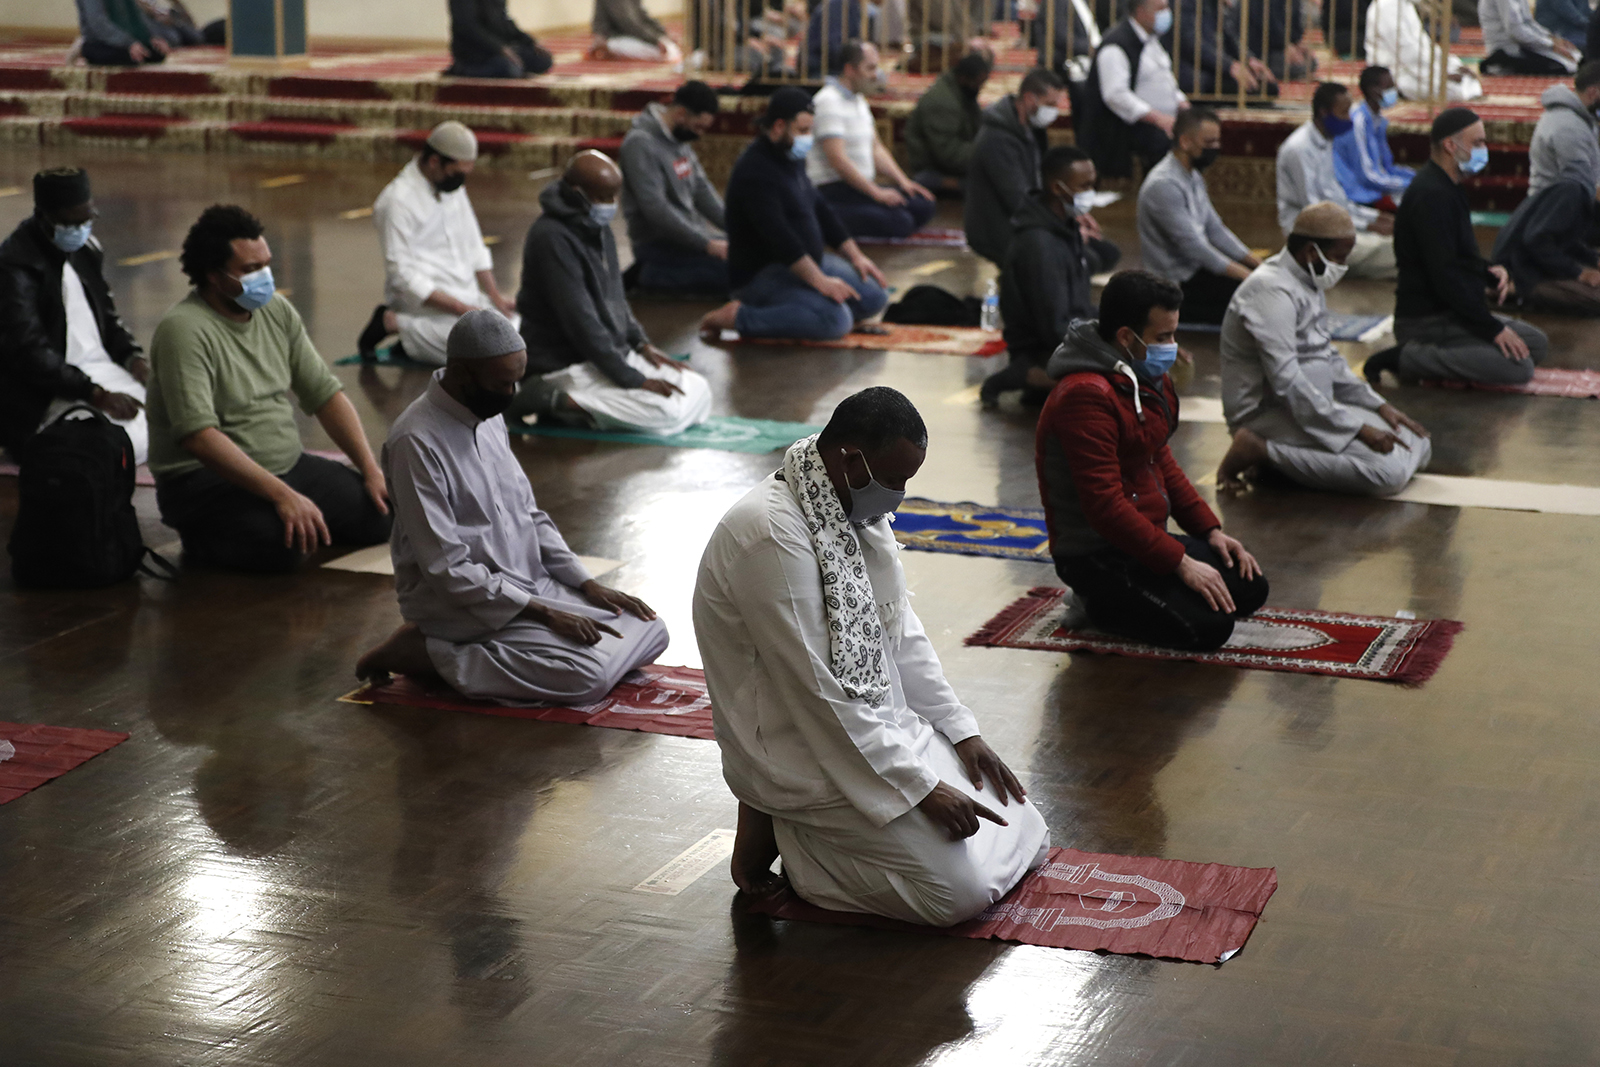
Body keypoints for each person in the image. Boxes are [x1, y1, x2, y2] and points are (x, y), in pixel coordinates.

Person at [694, 386, 1050, 925]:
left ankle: (822, 830)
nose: (900, 495)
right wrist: (920, 785)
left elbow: (900, 630)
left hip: (874, 728)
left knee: (1027, 828)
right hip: (801, 746)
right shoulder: (769, 534)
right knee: (960, 896)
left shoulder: (847, 505)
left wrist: (960, 730)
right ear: (850, 459)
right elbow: (816, 691)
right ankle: (801, 847)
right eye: (895, 480)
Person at [357, 310, 670, 705]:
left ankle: (497, 647)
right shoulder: (415, 441)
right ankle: (428, 654)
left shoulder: (487, 414)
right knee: (585, 677)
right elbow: (447, 570)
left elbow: (530, 516)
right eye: (502, 383)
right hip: (466, 604)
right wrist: (544, 614)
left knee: (651, 629)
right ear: (461, 373)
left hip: (530, 585)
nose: (511, 394)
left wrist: (585, 584)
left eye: (516, 381)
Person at [147, 205, 392, 573]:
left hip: (286, 465)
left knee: (382, 516)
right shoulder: (183, 330)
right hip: (204, 482)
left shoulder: (277, 311)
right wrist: (283, 496)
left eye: (266, 265)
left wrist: (370, 469)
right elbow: (198, 437)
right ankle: (202, 536)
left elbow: (325, 395)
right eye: (250, 270)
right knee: (280, 547)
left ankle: (284, 510)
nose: (264, 277)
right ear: (214, 275)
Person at [1038, 270, 1268, 650]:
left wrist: (1209, 532)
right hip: (1098, 554)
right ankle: (1093, 604)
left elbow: (1160, 460)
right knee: (1208, 628)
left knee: (1249, 587)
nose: (1173, 347)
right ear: (1126, 337)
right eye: (1163, 337)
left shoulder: (1139, 375)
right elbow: (1105, 507)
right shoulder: (1084, 396)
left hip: (1144, 538)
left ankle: (1148, 587)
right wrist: (1181, 562)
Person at [1217, 202, 1433, 497]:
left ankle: (1284, 462)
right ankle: (1260, 449)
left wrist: (1378, 406)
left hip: (1315, 407)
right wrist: (1357, 429)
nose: (1342, 268)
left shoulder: (1306, 281)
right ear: (1310, 252)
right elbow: (1288, 383)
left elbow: (1328, 358)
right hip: (1268, 414)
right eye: (1339, 258)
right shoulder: (1271, 292)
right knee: (1389, 474)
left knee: (1418, 443)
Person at [512, 151, 712, 435]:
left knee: (696, 386)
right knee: (664, 412)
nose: (609, 206)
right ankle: (553, 398)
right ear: (574, 192)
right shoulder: (550, 237)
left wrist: (642, 345)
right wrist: (632, 379)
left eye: (613, 197)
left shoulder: (597, 227)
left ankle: (587, 408)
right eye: (602, 198)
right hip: (565, 365)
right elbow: (582, 323)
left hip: (607, 355)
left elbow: (615, 298)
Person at [1367, 108, 1550, 386]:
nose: (1483, 150)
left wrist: (1490, 270)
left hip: (1452, 311)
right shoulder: (1431, 196)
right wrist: (1490, 328)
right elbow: (1445, 275)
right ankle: (1406, 357)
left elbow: (1460, 255)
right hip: (1426, 320)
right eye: (1477, 143)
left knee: (1536, 344)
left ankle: (1458, 349)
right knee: (1519, 368)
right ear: (1450, 146)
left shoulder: (1450, 186)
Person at [700, 87, 890, 342]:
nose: (808, 139)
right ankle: (738, 316)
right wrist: (821, 282)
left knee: (874, 296)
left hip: (807, 262)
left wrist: (857, 257)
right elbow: (780, 237)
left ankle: (801, 307)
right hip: (764, 275)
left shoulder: (790, 157)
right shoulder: (755, 172)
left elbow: (821, 208)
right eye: (802, 131)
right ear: (779, 127)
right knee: (836, 320)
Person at [0, 167, 149, 464]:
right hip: (48, 391)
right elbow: (31, 353)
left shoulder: (86, 249)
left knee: (173, 415)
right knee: (116, 440)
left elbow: (108, 320)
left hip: (101, 373)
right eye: (71, 222)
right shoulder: (15, 266)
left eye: (87, 220)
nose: (81, 229)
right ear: (44, 218)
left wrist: (135, 360)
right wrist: (96, 395)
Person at [359, 122, 518, 367]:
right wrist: (460, 308)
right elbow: (402, 275)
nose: (461, 181)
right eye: (457, 173)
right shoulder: (397, 201)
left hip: (464, 298)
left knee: (519, 330)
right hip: (424, 305)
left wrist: (495, 296)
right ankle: (396, 322)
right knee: (489, 355)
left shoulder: (450, 186)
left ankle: (418, 338)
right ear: (434, 161)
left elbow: (474, 244)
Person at [979, 146, 1101, 406]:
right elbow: (1052, 326)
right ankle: (1027, 375)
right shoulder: (1039, 245)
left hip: (1069, 332)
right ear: (1058, 188)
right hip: (1042, 348)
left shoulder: (1065, 229)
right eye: (1085, 185)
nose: (1091, 193)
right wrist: (1106, 351)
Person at [1136, 107, 1259, 325]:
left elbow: (1215, 229)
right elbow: (1194, 246)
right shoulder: (1164, 185)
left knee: (1259, 288)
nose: (1216, 148)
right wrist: (1246, 276)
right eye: (1209, 142)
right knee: (1253, 300)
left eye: (1217, 142)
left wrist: (1257, 264)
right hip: (1176, 285)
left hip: (1196, 272)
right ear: (1185, 142)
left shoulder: (1192, 176)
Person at [806, 43, 936, 241]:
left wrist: (904, 182)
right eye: (870, 68)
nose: (876, 75)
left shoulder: (859, 101)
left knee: (922, 204)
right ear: (850, 69)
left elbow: (876, 148)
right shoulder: (828, 102)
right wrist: (877, 193)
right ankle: (824, 220)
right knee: (900, 221)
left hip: (859, 188)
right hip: (834, 191)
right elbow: (838, 160)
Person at [1276, 82, 1396, 280]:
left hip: (1337, 227)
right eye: (1344, 112)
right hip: (1313, 238)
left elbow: (1337, 198)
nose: (1349, 119)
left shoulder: (1326, 140)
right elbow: (1314, 210)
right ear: (1324, 113)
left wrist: (1373, 217)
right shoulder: (1298, 149)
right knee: (1390, 250)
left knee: (1398, 241)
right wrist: (1367, 226)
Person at [619, 81, 730, 295]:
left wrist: (734, 228)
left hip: (688, 238)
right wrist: (707, 244)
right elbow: (656, 209)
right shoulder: (640, 144)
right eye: (698, 127)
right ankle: (649, 275)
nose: (700, 134)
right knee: (737, 274)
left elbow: (701, 190)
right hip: (658, 245)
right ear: (680, 114)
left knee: (751, 256)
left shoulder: (679, 137)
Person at [964, 67, 1065, 266]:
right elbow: (1018, 199)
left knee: (1101, 251)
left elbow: (1041, 179)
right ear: (1029, 99)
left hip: (1023, 218)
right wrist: (1060, 223)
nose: (1054, 112)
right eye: (1050, 104)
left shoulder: (1031, 128)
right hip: (996, 226)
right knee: (1072, 257)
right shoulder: (998, 138)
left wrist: (1070, 211)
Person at [1079, 0, 1187, 182]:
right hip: (1126, 128)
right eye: (1160, 9)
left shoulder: (1152, 40)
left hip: (1163, 119)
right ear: (1140, 11)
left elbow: (1164, 79)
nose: (1167, 14)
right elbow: (1115, 95)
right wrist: (1157, 118)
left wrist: (1182, 103)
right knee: (1161, 142)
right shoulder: (1116, 44)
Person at [1491, 162, 1600, 316]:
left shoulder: (1576, 194)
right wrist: (1579, 273)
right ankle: (1513, 289)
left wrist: (1594, 259)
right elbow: (1536, 240)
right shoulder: (1571, 192)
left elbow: (1565, 241)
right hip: (1520, 268)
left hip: (1531, 263)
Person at [904, 51, 991, 195]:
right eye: (978, 83)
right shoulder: (943, 102)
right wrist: (985, 156)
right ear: (964, 78)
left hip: (949, 162)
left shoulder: (962, 92)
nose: (980, 88)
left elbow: (976, 128)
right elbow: (948, 154)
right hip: (933, 168)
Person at [1363, 0, 1483, 101]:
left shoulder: (1405, 5)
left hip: (1419, 68)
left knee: (1466, 79)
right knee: (1453, 90)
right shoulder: (1387, 8)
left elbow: (1425, 45)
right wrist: (1441, 74)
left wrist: (1453, 65)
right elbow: (1407, 54)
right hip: (1396, 73)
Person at [1332, 66, 1413, 209]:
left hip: (1375, 187)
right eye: (1389, 87)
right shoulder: (1357, 122)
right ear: (1373, 91)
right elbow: (1367, 176)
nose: (1394, 91)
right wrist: (1409, 184)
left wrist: (1416, 178)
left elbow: (1385, 167)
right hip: (1359, 195)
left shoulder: (1377, 120)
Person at [1165, 0, 1277, 98]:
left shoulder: (1211, 3)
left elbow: (1229, 35)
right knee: (1257, 90)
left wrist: (1249, 59)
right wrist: (1229, 66)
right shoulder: (1182, 3)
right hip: (1193, 72)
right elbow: (1192, 45)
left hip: (1215, 68)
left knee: (1267, 86)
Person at [1528, 63, 1600, 199]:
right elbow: (1582, 185)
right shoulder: (1568, 127)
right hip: (1555, 208)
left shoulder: (1582, 118)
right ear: (1592, 93)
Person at [446, 0, 553, 78]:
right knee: (509, 68)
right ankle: (463, 70)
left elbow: (504, 21)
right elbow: (468, 27)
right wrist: (501, 49)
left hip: (499, 51)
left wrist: (531, 42)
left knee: (543, 60)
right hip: (475, 54)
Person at [1479, 0, 1579, 75]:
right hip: (1508, 48)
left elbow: (1529, 22)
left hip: (1525, 44)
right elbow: (1516, 32)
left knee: (1576, 56)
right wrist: (1550, 45)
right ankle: (1498, 63)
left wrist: (1552, 38)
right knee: (1564, 67)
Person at [74, 0, 171, 65]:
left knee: (156, 53)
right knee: (129, 57)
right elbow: (98, 23)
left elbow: (136, 16)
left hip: (124, 39)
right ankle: (81, 49)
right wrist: (128, 43)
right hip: (98, 41)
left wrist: (152, 37)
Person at [592, 0, 680, 61]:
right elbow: (629, 24)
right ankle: (606, 47)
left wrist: (664, 34)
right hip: (614, 36)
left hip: (630, 33)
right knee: (665, 53)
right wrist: (656, 40)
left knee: (671, 49)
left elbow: (643, 17)